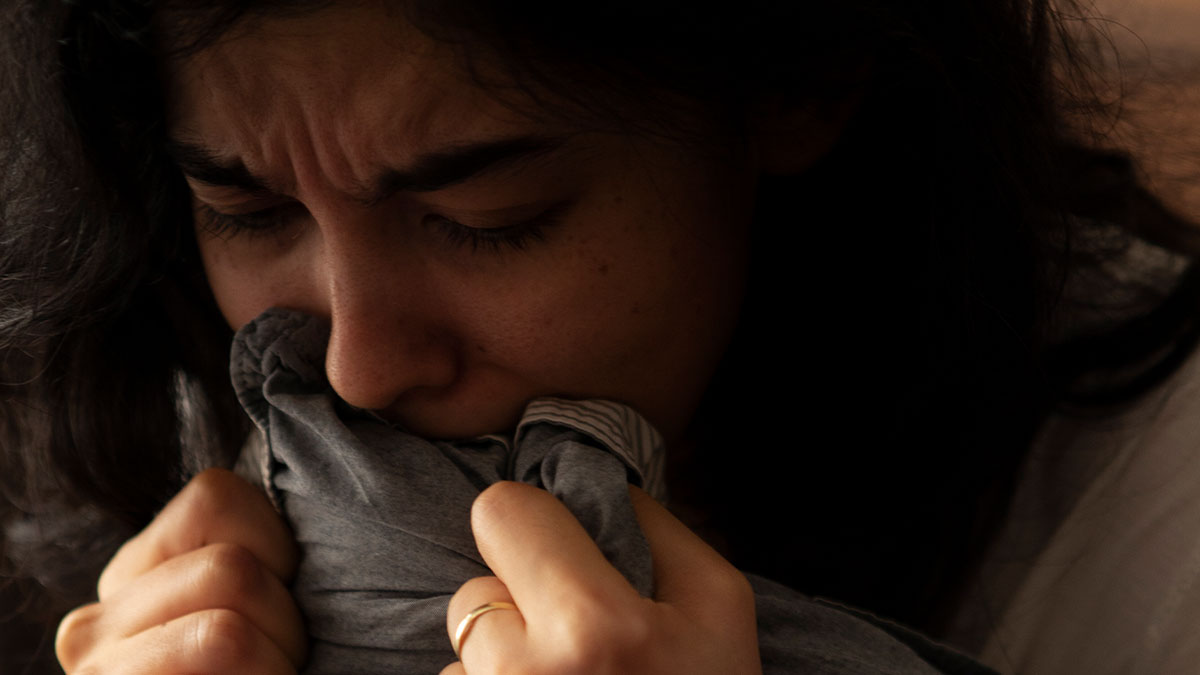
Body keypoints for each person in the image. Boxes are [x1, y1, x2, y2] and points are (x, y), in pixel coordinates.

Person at [2, 0, 1197, 673]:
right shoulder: (189, 413)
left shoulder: (1162, 518)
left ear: (798, 89)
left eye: (489, 219)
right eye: (248, 212)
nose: (356, 369)